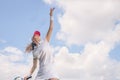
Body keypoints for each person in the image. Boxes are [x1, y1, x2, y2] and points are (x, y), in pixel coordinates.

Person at [24, 8, 59, 80]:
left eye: (37, 35)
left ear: (39, 37)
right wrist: (28, 75)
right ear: (33, 38)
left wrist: (51, 16)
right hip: (41, 74)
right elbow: (34, 66)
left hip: (51, 71)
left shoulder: (45, 41)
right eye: (34, 35)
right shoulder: (34, 51)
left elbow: (51, 28)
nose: (35, 36)